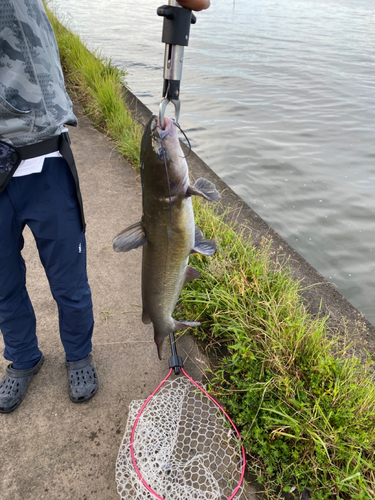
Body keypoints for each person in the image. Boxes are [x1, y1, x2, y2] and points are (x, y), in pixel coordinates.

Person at [0, 0, 210, 414]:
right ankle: (22, 358)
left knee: (69, 283)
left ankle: (78, 355)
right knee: (2, 285)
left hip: (41, 157)